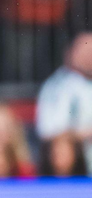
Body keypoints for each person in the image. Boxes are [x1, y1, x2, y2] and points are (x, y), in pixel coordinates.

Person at [36, 33, 92, 175]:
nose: (89, 56)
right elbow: (49, 132)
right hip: (74, 173)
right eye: (86, 50)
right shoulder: (57, 86)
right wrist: (83, 135)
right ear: (70, 53)